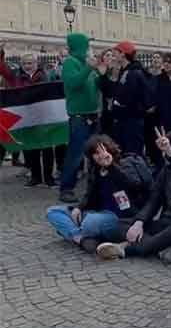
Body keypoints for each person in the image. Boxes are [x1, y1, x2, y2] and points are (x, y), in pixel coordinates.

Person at [96, 128, 171, 264]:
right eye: (163, 151)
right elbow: (153, 201)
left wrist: (170, 152)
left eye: (168, 149)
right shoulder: (165, 172)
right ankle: (165, 245)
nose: (164, 155)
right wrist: (139, 223)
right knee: (119, 225)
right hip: (167, 221)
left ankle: (126, 248)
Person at [46, 135, 150, 253]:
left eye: (102, 150)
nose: (100, 155)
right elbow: (89, 194)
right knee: (53, 212)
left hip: (119, 217)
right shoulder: (96, 170)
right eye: (95, 153)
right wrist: (79, 208)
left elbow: (134, 186)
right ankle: (81, 239)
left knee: (89, 223)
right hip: (97, 212)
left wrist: (111, 166)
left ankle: (72, 231)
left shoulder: (125, 164)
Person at [0, 46, 54, 187]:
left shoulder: (44, 76)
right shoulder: (16, 76)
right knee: (31, 148)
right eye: (25, 63)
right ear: (21, 65)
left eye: (30, 63)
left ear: (36, 64)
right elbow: (4, 70)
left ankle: (48, 177)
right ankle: (35, 177)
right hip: (26, 118)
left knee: (47, 147)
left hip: (42, 117)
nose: (28, 66)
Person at [59, 33, 102, 203]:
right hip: (79, 116)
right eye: (87, 45)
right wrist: (89, 69)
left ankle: (95, 185)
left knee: (95, 152)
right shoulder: (70, 62)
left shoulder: (86, 63)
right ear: (80, 46)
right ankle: (66, 188)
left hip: (92, 114)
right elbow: (73, 83)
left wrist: (103, 75)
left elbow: (94, 85)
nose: (89, 49)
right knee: (76, 154)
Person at [100, 41, 152, 155]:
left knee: (132, 154)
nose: (114, 55)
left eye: (116, 52)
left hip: (131, 121)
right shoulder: (127, 71)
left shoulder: (133, 73)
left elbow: (128, 97)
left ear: (123, 54)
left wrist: (115, 104)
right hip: (126, 120)